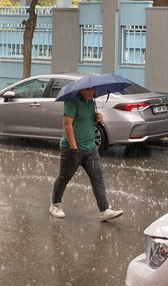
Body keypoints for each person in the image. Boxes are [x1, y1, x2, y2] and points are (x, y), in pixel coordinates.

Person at [50, 85, 123, 222]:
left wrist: (97, 118)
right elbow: (67, 125)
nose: (91, 92)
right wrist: (73, 147)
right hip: (72, 148)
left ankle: (104, 210)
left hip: (90, 148)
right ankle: (55, 205)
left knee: (98, 177)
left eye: (93, 89)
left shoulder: (91, 102)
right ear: (81, 89)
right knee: (64, 177)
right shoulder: (72, 101)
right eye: (88, 89)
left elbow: (87, 121)